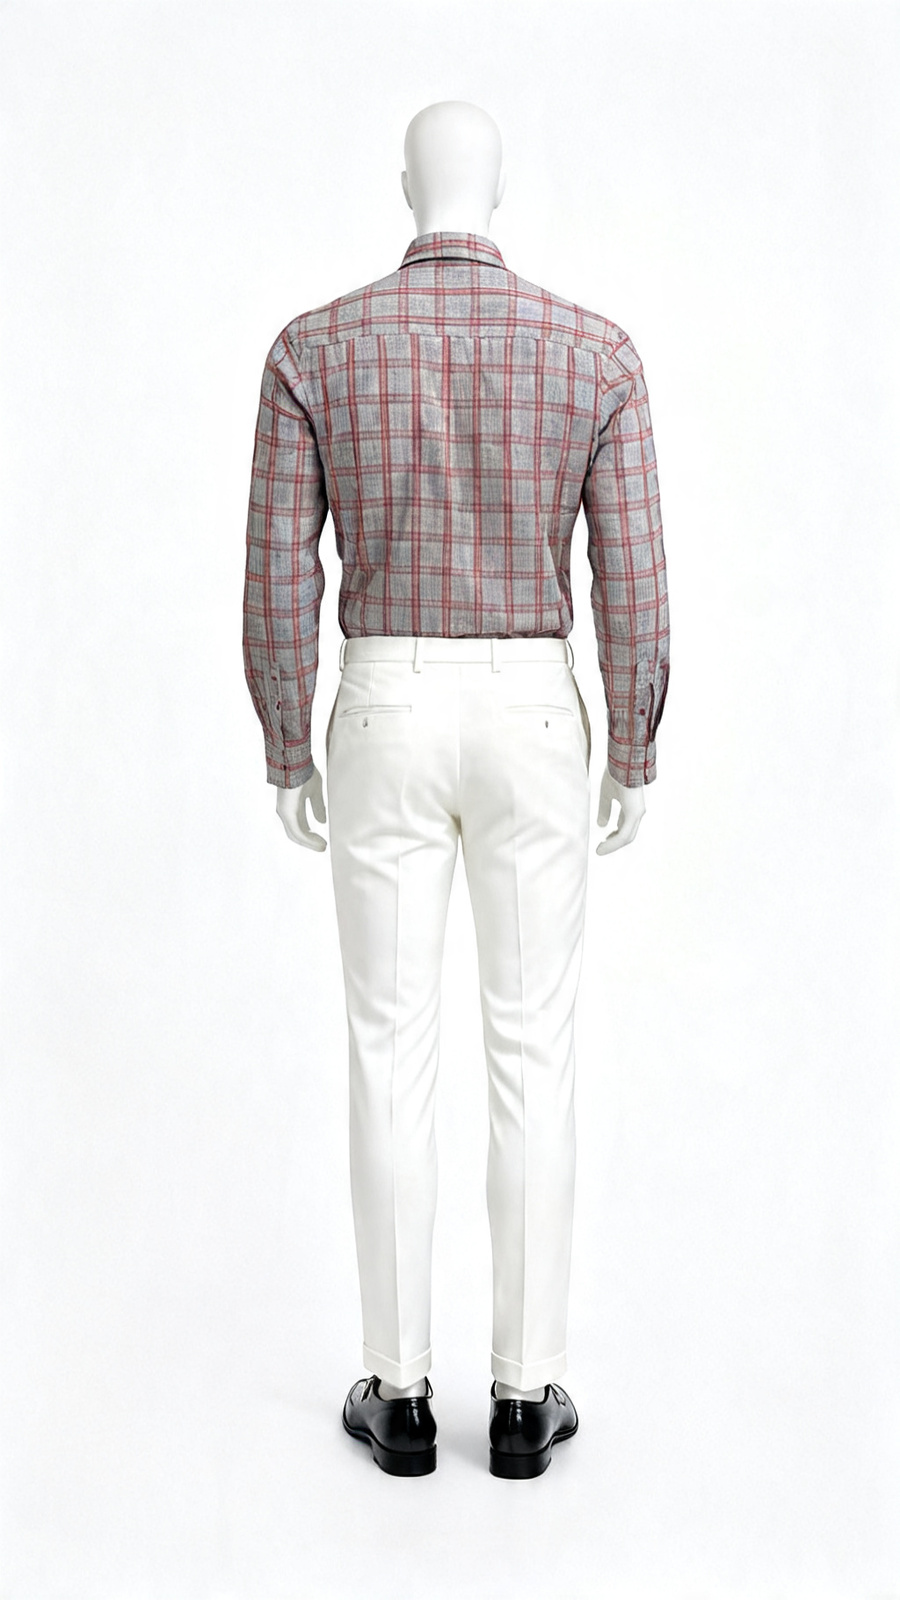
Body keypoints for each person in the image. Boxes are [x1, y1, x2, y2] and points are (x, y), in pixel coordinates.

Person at [242, 100, 670, 1479]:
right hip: (536, 709)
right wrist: (634, 742)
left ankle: (401, 1392)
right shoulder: (594, 352)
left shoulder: (314, 348)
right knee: (533, 1051)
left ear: (405, 186)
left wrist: (288, 740)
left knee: (388, 1048)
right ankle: (528, 1398)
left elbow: (277, 574)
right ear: (498, 188)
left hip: (383, 701)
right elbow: (634, 575)